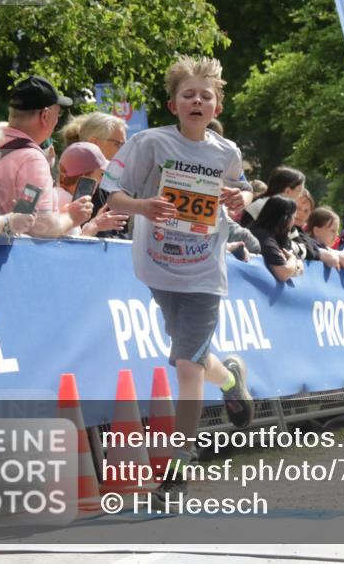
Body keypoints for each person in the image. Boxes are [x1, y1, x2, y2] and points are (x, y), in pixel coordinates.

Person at [103, 55, 254, 505]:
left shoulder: (226, 152)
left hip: (206, 272)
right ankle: (229, 379)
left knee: (185, 365)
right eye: (188, 94)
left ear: (216, 109)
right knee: (191, 356)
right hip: (158, 267)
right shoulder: (148, 143)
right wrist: (142, 207)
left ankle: (178, 466)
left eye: (205, 96)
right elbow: (112, 194)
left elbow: (244, 188)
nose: (197, 100)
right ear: (173, 105)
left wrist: (238, 195)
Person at [0, 75, 93, 237]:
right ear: (45, 116)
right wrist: (71, 217)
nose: (56, 122)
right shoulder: (32, 159)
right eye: (58, 114)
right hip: (10, 257)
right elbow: (43, 228)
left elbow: (26, 213)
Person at [63, 112, 129, 239]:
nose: (123, 150)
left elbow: (119, 234)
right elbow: (77, 239)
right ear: (94, 143)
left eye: (124, 145)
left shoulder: (110, 182)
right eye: (118, 144)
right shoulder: (83, 183)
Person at [55, 142, 128, 237]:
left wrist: (94, 224)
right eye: (101, 175)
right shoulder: (68, 203)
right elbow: (73, 248)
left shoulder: (56, 195)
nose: (101, 181)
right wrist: (94, 225)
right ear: (85, 177)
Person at [250, 195, 305, 282]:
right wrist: (292, 260)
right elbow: (283, 273)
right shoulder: (264, 239)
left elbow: (300, 268)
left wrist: (293, 264)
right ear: (285, 219)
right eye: (293, 217)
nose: (293, 222)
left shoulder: (281, 238)